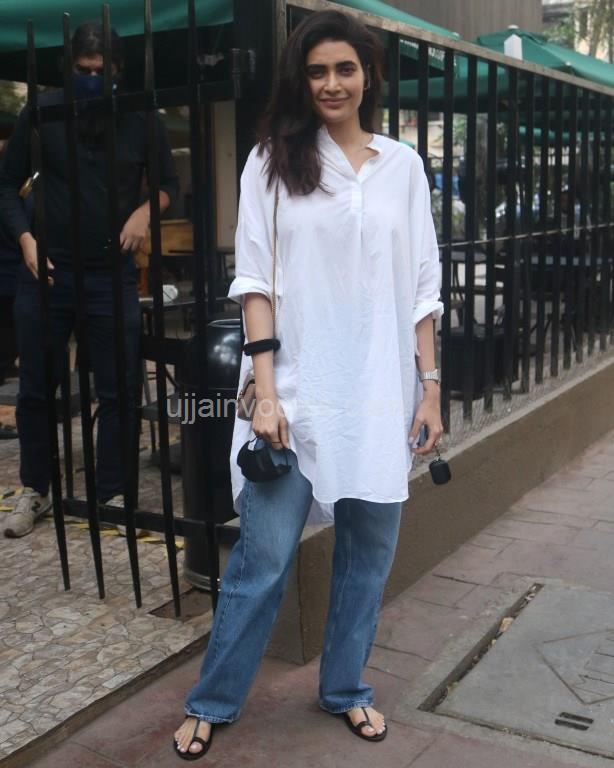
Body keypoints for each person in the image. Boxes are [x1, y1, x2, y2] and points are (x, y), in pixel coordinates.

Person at [173, 9, 443, 759]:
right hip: (293, 395)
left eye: (344, 68)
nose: (331, 83)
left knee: (367, 560)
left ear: (368, 76)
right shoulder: (271, 162)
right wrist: (265, 392)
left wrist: (429, 386)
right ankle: (212, 700)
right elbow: (255, 282)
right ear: (301, 79)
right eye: (317, 70)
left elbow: (423, 286)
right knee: (261, 563)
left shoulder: (403, 167)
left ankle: (346, 688)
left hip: (380, 395)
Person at [0, 21, 179, 537]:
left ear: (118, 70)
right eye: (83, 70)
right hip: (47, 268)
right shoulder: (42, 112)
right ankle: (35, 488)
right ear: (69, 68)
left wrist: (145, 212)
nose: (92, 80)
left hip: (110, 270)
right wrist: (25, 239)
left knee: (119, 388)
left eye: (101, 72)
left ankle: (113, 495)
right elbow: (6, 185)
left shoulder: (141, 117)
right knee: (36, 388)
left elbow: (168, 184)